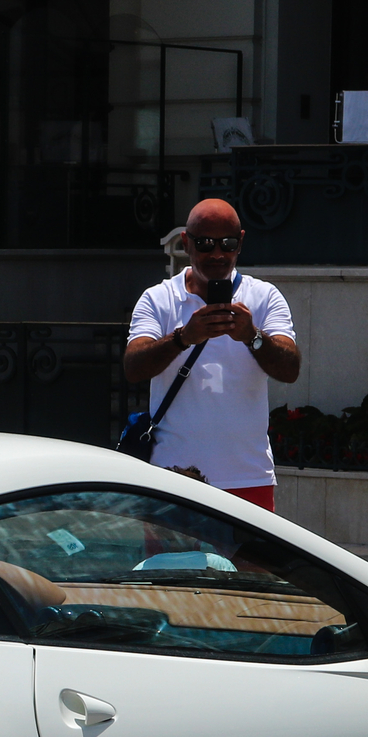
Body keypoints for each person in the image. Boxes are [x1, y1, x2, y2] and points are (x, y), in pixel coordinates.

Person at [121, 198, 300, 511]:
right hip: (174, 477)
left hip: (248, 478)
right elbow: (133, 367)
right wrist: (183, 338)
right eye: (205, 244)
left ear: (240, 243)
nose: (217, 254)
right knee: (173, 563)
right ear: (186, 243)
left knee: (251, 563)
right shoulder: (158, 299)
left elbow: (290, 368)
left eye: (227, 244)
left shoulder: (264, 297)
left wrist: (252, 336)